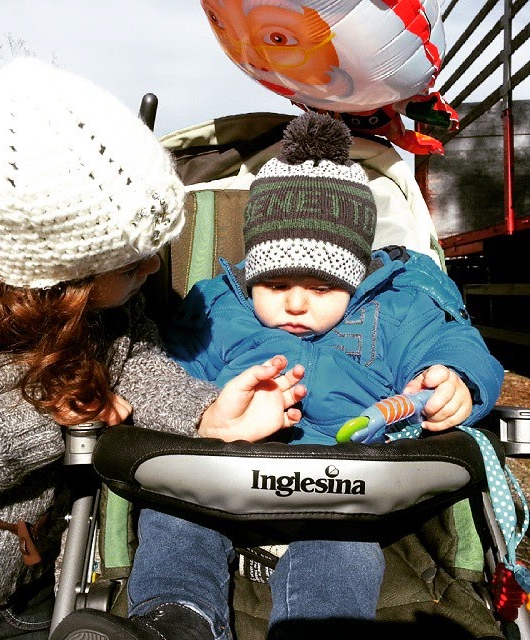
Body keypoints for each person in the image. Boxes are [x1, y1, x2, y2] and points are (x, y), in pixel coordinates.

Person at [0, 57, 308, 640]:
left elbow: (130, 362)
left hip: (32, 576)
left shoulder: (100, 306)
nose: (154, 269)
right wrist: (50, 412)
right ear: (55, 282)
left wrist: (206, 414)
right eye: (133, 265)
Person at [87, 112, 505, 640]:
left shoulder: (396, 310)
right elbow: (169, 377)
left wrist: (455, 380)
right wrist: (202, 410)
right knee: (172, 522)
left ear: (356, 279)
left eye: (322, 288)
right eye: (277, 284)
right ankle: (177, 620)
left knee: (344, 555)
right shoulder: (216, 310)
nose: (297, 304)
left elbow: (453, 344)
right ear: (252, 274)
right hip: (217, 486)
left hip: (344, 500)